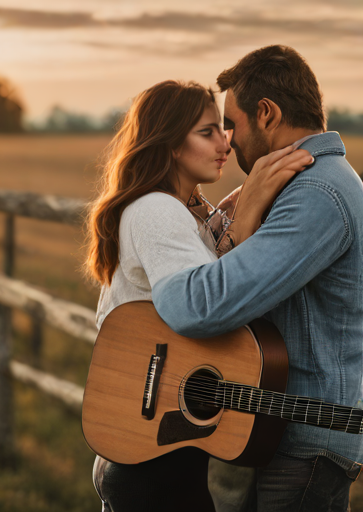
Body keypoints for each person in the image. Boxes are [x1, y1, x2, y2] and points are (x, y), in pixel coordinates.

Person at [84, 78, 313, 512]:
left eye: (223, 130)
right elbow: (208, 303)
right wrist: (246, 217)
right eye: (207, 132)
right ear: (170, 144)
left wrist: (226, 225)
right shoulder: (156, 210)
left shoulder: (178, 209)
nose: (224, 144)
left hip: (152, 443)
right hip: (147, 455)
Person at [152, 45, 363, 511]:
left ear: (266, 113)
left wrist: (160, 276)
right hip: (282, 437)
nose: (227, 141)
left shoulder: (317, 194)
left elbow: (203, 306)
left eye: (232, 123)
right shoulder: (305, 185)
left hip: (308, 447)